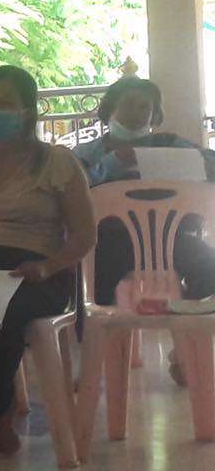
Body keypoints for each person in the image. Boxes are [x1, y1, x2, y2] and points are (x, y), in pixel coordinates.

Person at [0, 66, 96, 455]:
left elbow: (84, 236)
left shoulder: (57, 162)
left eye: (4, 103)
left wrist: (46, 267)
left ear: (27, 110)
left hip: (36, 272)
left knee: (2, 316)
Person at [72, 75, 215, 372]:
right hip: (108, 243)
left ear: (155, 113)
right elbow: (73, 191)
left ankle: (187, 343)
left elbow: (210, 164)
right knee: (87, 282)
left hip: (173, 240)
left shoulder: (169, 143)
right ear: (110, 109)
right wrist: (112, 163)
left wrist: (188, 161)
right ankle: (93, 362)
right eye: (127, 105)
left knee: (209, 268)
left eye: (144, 107)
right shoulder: (85, 153)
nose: (136, 113)